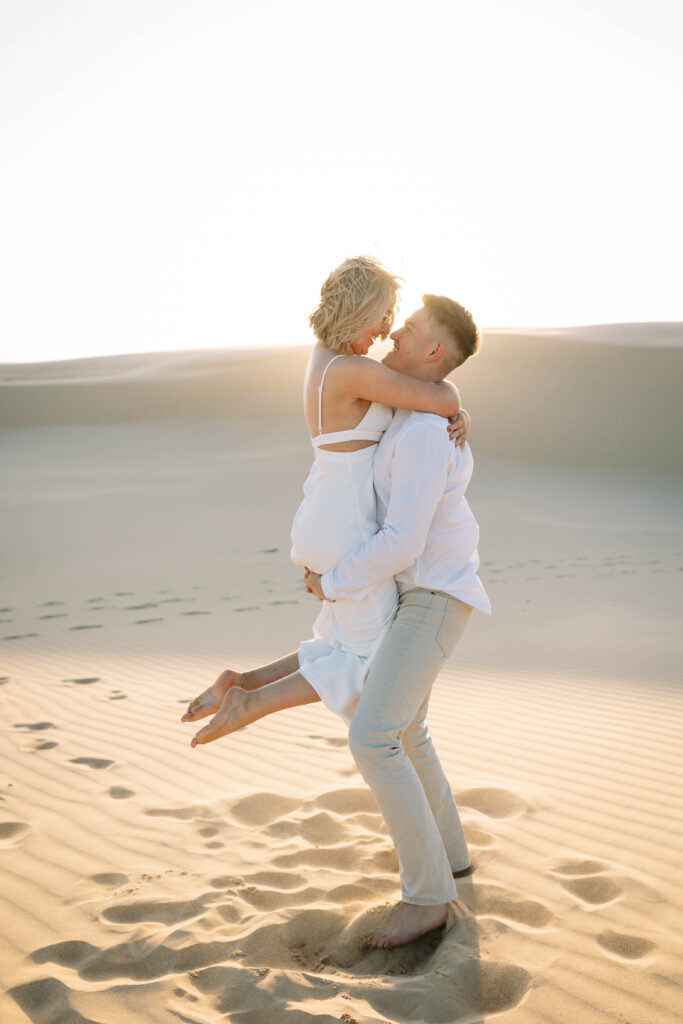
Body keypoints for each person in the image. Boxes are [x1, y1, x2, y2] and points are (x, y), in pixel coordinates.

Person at [182, 257, 468, 738]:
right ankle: (249, 704)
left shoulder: (325, 360)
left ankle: (241, 683)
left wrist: (453, 408)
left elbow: (428, 397)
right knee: (369, 656)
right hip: (345, 526)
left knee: (337, 641)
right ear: (361, 308)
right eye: (383, 316)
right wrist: (458, 410)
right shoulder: (351, 370)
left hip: (325, 516)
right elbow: (443, 399)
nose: (386, 330)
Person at [305, 295, 490, 947]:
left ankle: (429, 897)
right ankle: (451, 858)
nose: (394, 333)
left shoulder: (420, 433)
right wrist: (452, 402)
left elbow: (402, 540)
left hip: (433, 596)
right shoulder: (417, 412)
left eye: (408, 328)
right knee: (407, 731)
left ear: (433, 351)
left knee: (374, 737)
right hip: (425, 595)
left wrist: (332, 584)